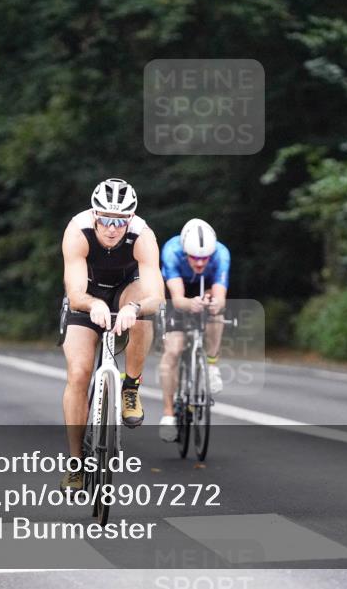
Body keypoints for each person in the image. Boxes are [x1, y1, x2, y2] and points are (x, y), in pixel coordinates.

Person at [59, 178, 163, 490]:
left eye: (120, 221)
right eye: (105, 218)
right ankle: (76, 463)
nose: (112, 228)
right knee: (78, 373)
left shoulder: (143, 236)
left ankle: (130, 387)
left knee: (143, 315)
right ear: (94, 215)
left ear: (130, 219)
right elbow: (75, 292)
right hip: (87, 295)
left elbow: (156, 297)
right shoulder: (78, 231)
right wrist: (92, 304)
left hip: (126, 287)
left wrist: (134, 307)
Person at [157, 218, 230, 443]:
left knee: (217, 314)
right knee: (173, 350)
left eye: (204, 258)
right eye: (194, 258)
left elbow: (220, 295)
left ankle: (211, 364)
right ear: (184, 251)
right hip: (176, 291)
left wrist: (215, 303)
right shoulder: (171, 251)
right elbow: (178, 300)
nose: (199, 263)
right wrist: (190, 304)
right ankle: (169, 414)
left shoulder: (221, 254)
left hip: (205, 287)